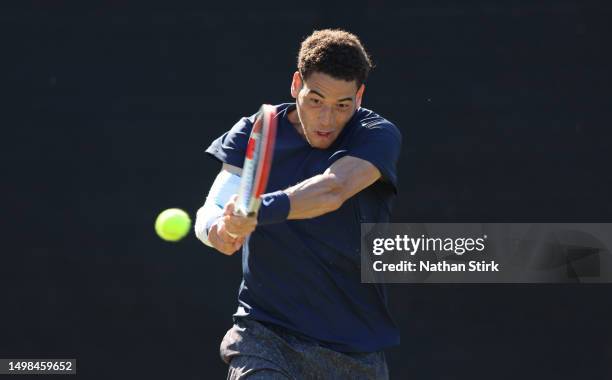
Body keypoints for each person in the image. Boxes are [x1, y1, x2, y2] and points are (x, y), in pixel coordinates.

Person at [195, 29, 402, 379]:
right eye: (316, 100)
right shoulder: (255, 130)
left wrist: (256, 210)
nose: (326, 120)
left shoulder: (376, 135)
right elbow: (210, 211)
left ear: (360, 97)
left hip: (353, 353)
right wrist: (219, 231)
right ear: (296, 85)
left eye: (342, 105)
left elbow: (333, 190)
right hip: (264, 337)